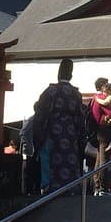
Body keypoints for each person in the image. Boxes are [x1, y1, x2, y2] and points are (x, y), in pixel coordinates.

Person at [32, 58, 85, 193]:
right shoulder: (76, 94)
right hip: (71, 132)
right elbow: (80, 117)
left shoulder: (51, 91)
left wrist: (38, 135)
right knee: (69, 158)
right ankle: (71, 185)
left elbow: (40, 113)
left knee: (49, 157)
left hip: (52, 130)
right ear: (71, 75)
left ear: (58, 73)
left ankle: (47, 186)